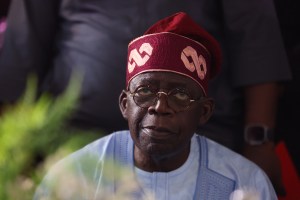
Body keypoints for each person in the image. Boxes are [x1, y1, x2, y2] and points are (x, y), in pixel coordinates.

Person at [0, 0, 291, 195]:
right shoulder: (66, 172)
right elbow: (20, 53)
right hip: (73, 135)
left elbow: (257, 40)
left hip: (202, 139)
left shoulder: (241, 180)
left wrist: (259, 140)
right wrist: (15, 150)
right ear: (124, 102)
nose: (158, 106)